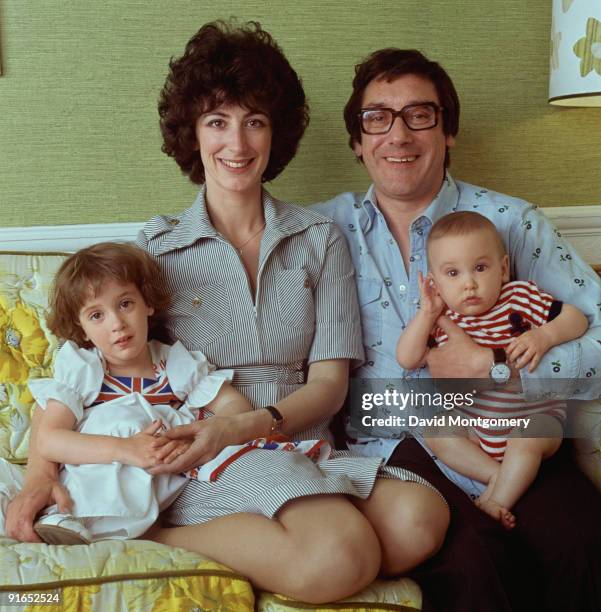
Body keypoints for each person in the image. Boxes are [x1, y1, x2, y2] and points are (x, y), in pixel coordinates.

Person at [6, 23, 450, 604]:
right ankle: (164, 530)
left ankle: (288, 531)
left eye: (254, 121)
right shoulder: (154, 254)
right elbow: (87, 373)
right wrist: (41, 476)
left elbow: (328, 386)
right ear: (192, 133)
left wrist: (243, 424)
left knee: (421, 518)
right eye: (217, 122)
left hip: (298, 443)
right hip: (202, 461)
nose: (236, 144)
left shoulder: (320, 239)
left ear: (275, 133)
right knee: (341, 557)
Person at [315, 48, 601, 612]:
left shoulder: (510, 223)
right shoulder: (321, 231)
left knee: (585, 544)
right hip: (397, 446)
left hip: (517, 426)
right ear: (357, 140)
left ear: (448, 132)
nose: (398, 134)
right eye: (378, 117)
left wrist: (495, 364)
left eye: (420, 114)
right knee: (474, 568)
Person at [27, 242, 329, 545]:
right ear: (81, 329)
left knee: (166, 446)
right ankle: (71, 516)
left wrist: (210, 428)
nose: (116, 324)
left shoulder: (173, 364)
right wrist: (124, 448)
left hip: (154, 473)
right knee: (118, 420)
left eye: (125, 304)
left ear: (147, 304)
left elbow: (233, 403)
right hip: (98, 464)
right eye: (96, 316)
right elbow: (50, 439)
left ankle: (112, 527)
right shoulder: (84, 369)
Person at [396, 211, 588, 529]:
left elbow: (576, 318)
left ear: (503, 269)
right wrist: (426, 313)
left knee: (527, 437)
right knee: (435, 430)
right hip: (476, 426)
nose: (469, 283)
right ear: (435, 283)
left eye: (480, 268)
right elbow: (407, 358)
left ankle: (496, 501)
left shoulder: (520, 297)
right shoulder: (442, 318)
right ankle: (497, 476)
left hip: (535, 420)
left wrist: (544, 335)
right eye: (453, 273)